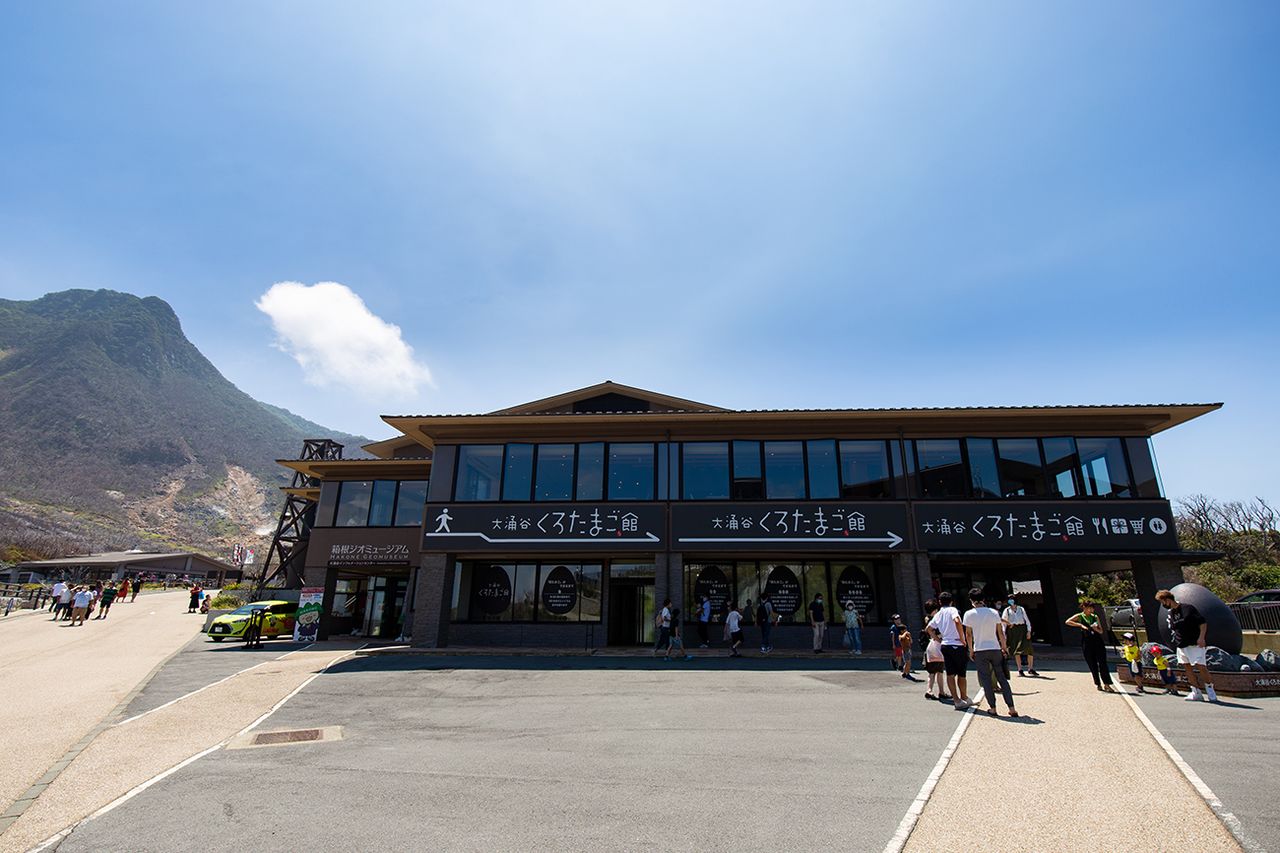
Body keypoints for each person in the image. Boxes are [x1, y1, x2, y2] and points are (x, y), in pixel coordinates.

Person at [962, 589, 1019, 717]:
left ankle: (993, 708)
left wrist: (970, 650)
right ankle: (1011, 707)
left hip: (980, 649)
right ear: (983, 599)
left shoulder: (968, 614)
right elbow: (1000, 633)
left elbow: (968, 634)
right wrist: (1004, 648)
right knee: (1002, 678)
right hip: (995, 648)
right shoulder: (994, 612)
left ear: (971, 600)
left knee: (986, 679)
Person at [1156, 588, 1218, 703]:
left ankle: (1210, 689)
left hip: (1194, 643)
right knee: (1187, 667)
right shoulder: (1171, 614)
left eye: (1163, 602)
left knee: (1201, 667)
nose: (1163, 605)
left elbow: (1202, 623)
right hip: (1182, 645)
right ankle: (1195, 691)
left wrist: (1201, 638)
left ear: (1168, 599)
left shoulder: (1188, 608)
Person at [928, 592, 970, 709]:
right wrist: (962, 638)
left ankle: (956, 700)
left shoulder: (938, 614)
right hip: (957, 644)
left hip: (945, 645)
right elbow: (957, 621)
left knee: (950, 673)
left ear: (940, 602)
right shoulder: (952, 610)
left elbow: (929, 629)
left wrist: (938, 640)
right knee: (961, 673)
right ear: (951, 601)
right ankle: (964, 697)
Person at [1065, 601, 1116, 692]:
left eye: (1092, 608)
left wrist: (1095, 628)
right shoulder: (1080, 616)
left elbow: (1101, 631)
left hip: (1097, 641)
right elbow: (1068, 621)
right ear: (1084, 607)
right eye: (1089, 608)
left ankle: (1107, 684)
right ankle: (1098, 683)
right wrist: (1080, 625)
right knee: (1092, 663)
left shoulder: (1095, 617)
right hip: (1087, 642)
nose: (1091, 610)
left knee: (1102, 663)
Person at [1001, 595, 1038, 676]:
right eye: (1009, 600)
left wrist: (1029, 631)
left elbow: (1027, 620)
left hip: (1022, 629)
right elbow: (1004, 623)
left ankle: (1030, 668)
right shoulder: (1006, 610)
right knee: (1016, 650)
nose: (1011, 601)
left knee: (1029, 649)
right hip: (1013, 630)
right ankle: (1020, 669)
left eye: (1012, 599)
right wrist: (1004, 635)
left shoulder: (1021, 609)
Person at [924, 632, 946, 700]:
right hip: (939, 654)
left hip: (930, 654)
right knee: (940, 673)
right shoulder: (941, 630)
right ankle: (941, 692)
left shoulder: (932, 631)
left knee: (931, 674)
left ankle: (929, 690)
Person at [895, 614, 914, 680]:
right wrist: (906, 633)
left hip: (908, 649)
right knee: (907, 662)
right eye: (904, 630)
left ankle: (906, 672)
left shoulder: (907, 636)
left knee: (909, 662)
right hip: (905, 650)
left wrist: (910, 636)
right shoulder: (900, 636)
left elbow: (911, 641)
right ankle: (906, 673)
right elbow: (902, 638)